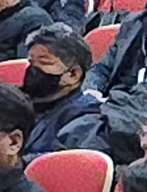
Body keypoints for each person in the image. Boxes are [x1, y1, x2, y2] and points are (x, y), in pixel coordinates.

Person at [14, 25, 115, 161]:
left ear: (73, 74)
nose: (34, 70)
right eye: (31, 63)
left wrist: (10, 162)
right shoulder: (19, 103)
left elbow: (63, 162)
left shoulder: (87, 116)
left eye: (44, 62)